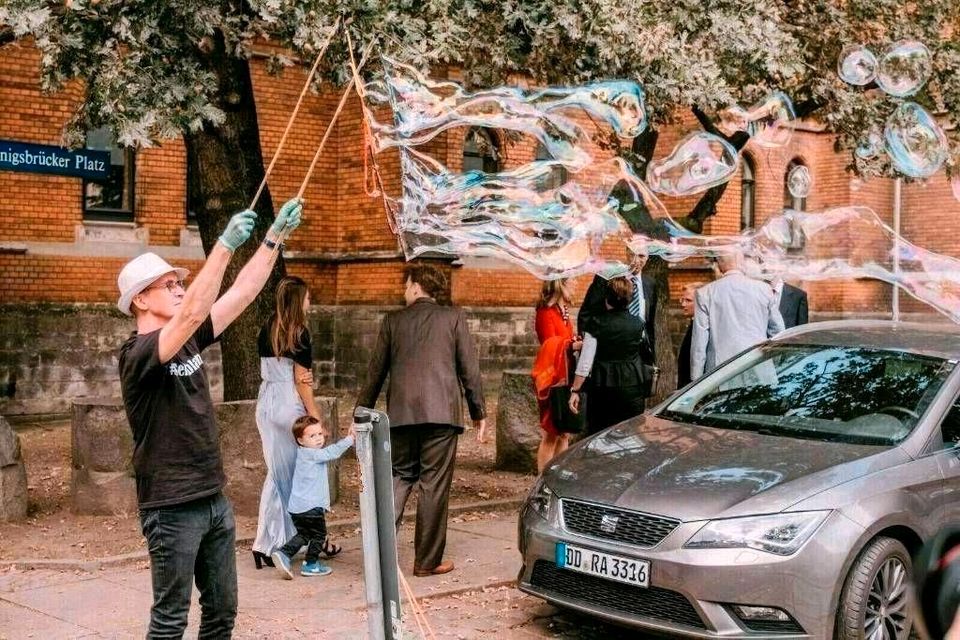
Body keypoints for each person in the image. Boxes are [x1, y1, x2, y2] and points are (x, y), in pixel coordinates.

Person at [117, 197, 303, 638]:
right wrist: (221, 246)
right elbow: (195, 310)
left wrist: (273, 239)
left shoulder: (187, 340)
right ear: (140, 300)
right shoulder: (137, 354)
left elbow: (241, 293)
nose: (180, 289)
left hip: (213, 498)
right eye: (169, 285)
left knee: (222, 614)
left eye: (181, 283)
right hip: (171, 506)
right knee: (170, 621)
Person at [356, 262, 486, 578]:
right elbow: (469, 367)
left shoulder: (393, 321)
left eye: (406, 285)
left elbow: (376, 371)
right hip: (442, 414)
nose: (404, 291)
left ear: (416, 286)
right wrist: (478, 411)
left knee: (399, 477)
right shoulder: (454, 317)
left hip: (400, 414)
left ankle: (377, 555)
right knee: (433, 485)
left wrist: (362, 411)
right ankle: (426, 562)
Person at [253, 276, 334, 570]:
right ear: (299, 301)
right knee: (295, 477)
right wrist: (314, 417)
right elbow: (301, 380)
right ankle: (280, 542)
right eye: (308, 298)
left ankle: (270, 542)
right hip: (288, 403)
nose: (310, 303)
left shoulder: (267, 328)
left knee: (277, 475)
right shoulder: (299, 333)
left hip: (266, 403)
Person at [271, 415, 354, 579]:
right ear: (301, 441)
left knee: (304, 535)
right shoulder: (311, 455)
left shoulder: (304, 453)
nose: (318, 439)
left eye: (320, 434)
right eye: (312, 436)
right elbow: (333, 452)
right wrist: (350, 439)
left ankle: (284, 554)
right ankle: (311, 564)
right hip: (311, 508)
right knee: (318, 535)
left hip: (297, 508)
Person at [569, 276, 648, 434]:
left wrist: (575, 390)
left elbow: (586, 362)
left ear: (607, 298)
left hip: (603, 389)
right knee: (631, 436)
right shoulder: (638, 323)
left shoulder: (596, 323)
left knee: (599, 435)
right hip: (633, 385)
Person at [690, 251, 784, 380]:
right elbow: (778, 332)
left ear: (719, 265)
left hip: (720, 371)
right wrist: (775, 364)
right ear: (741, 262)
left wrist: (696, 379)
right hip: (758, 367)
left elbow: (699, 343)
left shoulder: (705, 293)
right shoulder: (764, 289)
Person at [578, 248, 657, 391]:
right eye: (633, 254)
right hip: (608, 352)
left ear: (647, 258)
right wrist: (586, 347)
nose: (636, 260)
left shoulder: (650, 284)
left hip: (638, 352)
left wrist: (651, 356)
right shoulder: (606, 278)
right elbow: (586, 313)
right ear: (627, 253)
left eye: (641, 256)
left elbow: (649, 323)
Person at [530, 279, 586, 473]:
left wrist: (573, 341)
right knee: (551, 432)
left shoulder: (564, 312)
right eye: (571, 281)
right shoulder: (546, 312)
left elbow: (564, 341)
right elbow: (549, 346)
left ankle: (558, 476)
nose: (575, 284)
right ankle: (543, 480)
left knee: (564, 433)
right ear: (560, 284)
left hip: (566, 375)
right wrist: (571, 345)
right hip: (553, 379)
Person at [676, 282, 705, 388]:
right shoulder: (694, 323)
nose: (683, 304)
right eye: (682, 300)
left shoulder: (702, 328)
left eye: (688, 300)